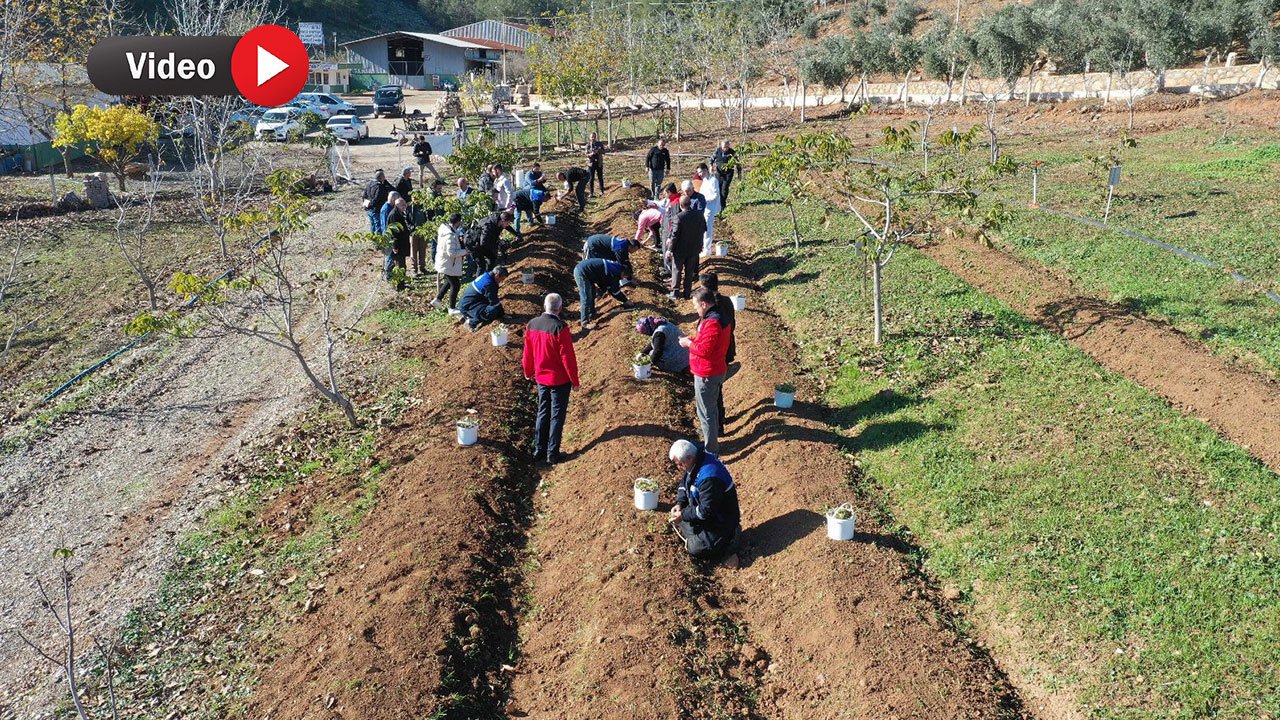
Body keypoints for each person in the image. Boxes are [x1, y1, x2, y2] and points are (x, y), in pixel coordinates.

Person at [522, 293, 580, 466]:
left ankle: (538, 450)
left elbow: (528, 352)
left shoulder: (532, 324)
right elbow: (567, 358)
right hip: (559, 380)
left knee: (542, 411)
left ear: (544, 306)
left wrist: (528, 370)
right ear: (559, 308)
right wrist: (574, 380)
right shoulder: (560, 328)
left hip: (541, 377)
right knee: (556, 416)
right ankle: (552, 454)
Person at [667, 439, 741, 563]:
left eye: (679, 464)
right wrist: (680, 503)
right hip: (707, 514)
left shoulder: (709, 477)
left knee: (695, 548)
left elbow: (707, 510)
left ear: (689, 458)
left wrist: (683, 514)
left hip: (721, 522)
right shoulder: (695, 462)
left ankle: (730, 539)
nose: (678, 467)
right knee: (680, 519)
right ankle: (699, 536)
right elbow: (685, 482)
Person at [679, 288, 731, 453]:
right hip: (714, 369)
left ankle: (710, 450)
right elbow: (707, 342)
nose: (695, 309)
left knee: (706, 413)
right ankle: (712, 438)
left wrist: (688, 344)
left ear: (703, 304)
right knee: (710, 409)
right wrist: (692, 339)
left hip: (707, 373)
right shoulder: (717, 316)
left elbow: (704, 350)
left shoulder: (712, 323)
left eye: (696, 306)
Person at [699, 271, 736, 428]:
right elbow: (733, 324)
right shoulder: (727, 301)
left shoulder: (713, 306)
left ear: (705, 288)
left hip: (718, 350)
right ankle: (719, 418)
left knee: (714, 389)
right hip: (726, 347)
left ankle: (718, 423)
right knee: (717, 387)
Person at [572, 257, 632, 331]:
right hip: (582, 272)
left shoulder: (617, 267)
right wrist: (625, 300)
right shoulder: (614, 272)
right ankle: (584, 322)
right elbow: (615, 291)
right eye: (623, 277)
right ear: (622, 273)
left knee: (592, 293)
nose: (622, 279)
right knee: (586, 296)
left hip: (588, 272)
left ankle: (591, 315)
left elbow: (606, 283)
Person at [668, 197, 706, 299]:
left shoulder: (679, 217)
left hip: (680, 250)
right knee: (689, 271)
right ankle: (687, 293)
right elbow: (703, 230)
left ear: (680, 205)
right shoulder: (699, 215)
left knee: (677, 270)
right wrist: (700, 244)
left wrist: (670, 249)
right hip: (694, 249)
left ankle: (675, 292)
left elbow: (674, 235)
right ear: (690, 204)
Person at [431, 212, 468, 310]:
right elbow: (451, 253)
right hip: (447, 263)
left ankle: (437, 300)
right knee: (456, 285)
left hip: (446, 262)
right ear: (458, 222)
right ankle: (452, 308)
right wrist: (465, 252)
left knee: (449, 281)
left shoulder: (448, 230)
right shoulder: (449, 235)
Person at [456, 266, 510, 331]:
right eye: (502, 279)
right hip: (468, 306)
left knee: (491, 306)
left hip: (471, 301)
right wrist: (502, 314)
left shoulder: (487, 275)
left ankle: (468, 316)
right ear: (497, 275)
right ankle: (470, 322)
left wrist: (501, 314)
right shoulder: (489, 283)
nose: (502, 281)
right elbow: (494, 302)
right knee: (491, 311)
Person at [385, 196, 413, 288]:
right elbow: (393, 232)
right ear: (397, 205)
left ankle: (401, 282)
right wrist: (395, 246)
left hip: (402, 243)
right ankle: (399, 285)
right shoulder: (394, 215)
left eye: (405, 204)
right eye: (402, 205)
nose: (405, 206)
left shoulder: (401, 212)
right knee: (400, 265)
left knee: (401, 264)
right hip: (398, 245)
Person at [696, 162, 721, 257]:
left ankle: (707, 249)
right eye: (698, 172)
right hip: (704, 207)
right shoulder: (705, 181)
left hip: (710, 207)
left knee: (707, 228)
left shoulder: (713, 180)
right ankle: (703, 247)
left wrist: (705, 200)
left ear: (705, 170)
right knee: (703, 228)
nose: (699, 174)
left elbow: (715, 195)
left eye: (700, 172)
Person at [711, 140, 737, 205]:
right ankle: (718, 202)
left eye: (726, 147)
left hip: (728, 173)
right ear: (721, 146)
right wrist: (711, 166)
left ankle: (723, 203)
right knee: (718, 187)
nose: (725, 149)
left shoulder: (732, 152)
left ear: (729, 146)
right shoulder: (718, 151)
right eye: (723, 147)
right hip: (719, 173)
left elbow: (737, 162)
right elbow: (712, 159)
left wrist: (739, 172)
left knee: (724, 188)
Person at [586, 131, 605, 196]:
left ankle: (602, 191)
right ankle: (591, 193)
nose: (593, 138)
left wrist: (598, 151)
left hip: (599, 163)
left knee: (600, 177)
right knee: (591, 178)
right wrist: (591, 154)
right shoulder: (588, 145)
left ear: (596, 137)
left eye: (594, 137)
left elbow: (604, 151)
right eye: (592, 137)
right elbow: (586, 154)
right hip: (591, 164)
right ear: (590, 138)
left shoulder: (599, 144)